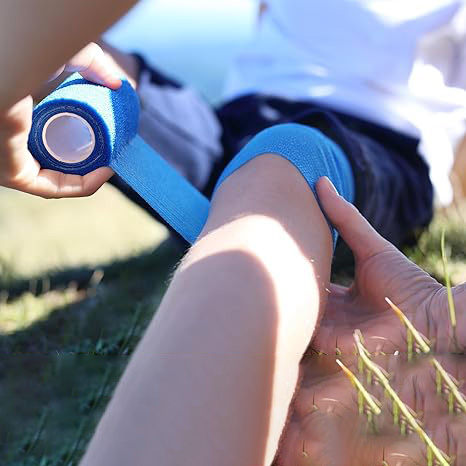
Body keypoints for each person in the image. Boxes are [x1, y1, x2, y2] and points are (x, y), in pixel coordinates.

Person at [0, 1, 464, 465]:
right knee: (70, 66)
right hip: (239, 124)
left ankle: (252, 203)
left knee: (279, 167)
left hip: (371, 144)